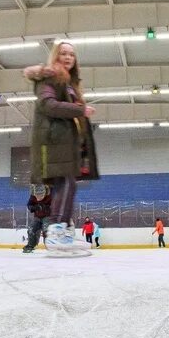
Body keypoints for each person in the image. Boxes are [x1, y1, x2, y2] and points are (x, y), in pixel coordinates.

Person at [23, 40, 99, 256]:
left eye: (71, 55)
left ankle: (63, 231)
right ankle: (56, 231)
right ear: (55, 56)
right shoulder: (49, 77)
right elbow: (48, 105)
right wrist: (80, 110)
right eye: (63, 53)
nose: (67, 58)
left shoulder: (70, 84)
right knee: (65, 184)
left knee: (69, 185)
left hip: (66, 143)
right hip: (53, 141)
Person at [22, 183, 52, 253]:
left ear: (44, 193)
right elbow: (29, 205)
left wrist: (45, 207)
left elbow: (55, 207)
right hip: (37, 217)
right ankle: (31, 245)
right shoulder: (33, 197)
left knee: (46, 231)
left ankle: (50, 246)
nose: (38, 198)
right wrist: (34, 207)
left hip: (47, 216)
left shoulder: (50, 196)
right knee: (31, 229)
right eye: (37, 196)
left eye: (41, 196)